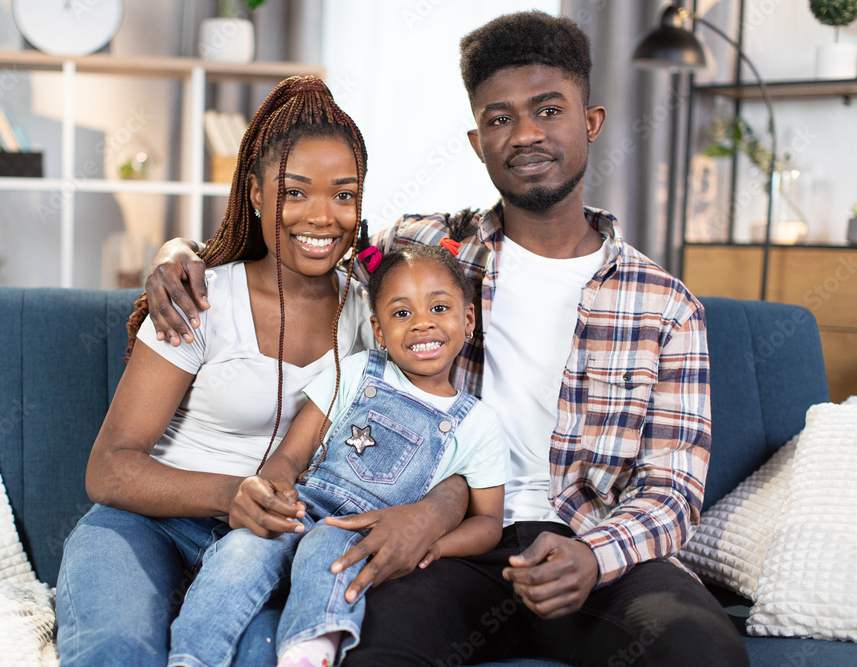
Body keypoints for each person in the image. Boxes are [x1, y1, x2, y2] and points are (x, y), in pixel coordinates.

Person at [141, 11, 750, 667]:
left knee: (705, 653)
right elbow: (307, 248)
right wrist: (183, 252)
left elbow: (672, 490)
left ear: (591, 121)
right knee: (369, 653)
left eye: (548, 110)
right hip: (449, 542)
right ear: (476, 139)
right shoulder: (427, 250)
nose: (525, 135)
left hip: (589, 546)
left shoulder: (664, 304)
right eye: (499, 118)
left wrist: (593, 554)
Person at [55, 76, 470, 667]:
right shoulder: (197, 296)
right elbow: (109, 468)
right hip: (146, 523)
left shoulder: (378, 317)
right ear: (254, 193)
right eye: (295, 193)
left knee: (261, 654)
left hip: (265, 546)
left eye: (343, 195)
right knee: (120, 648)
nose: (322, 217)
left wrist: (437, 508)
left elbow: (450, 427)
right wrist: (230, 495)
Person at [169, 244, 509, 667]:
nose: (422, 323)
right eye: (401, 314)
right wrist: (273, 489)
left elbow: (488, 523)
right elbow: (292, 453)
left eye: (439, 308)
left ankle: (310, 651)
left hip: (368, 532)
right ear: (379, 331)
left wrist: (434, 547)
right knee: (240, 548)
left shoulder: (479, 423)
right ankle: (192, 657)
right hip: (303, 507)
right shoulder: (356, 370)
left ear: (468, 319)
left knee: (328, 545)